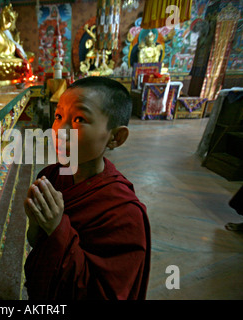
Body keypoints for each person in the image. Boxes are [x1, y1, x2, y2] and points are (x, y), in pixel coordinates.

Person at [23, 76, 151, 300]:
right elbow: (36, 243)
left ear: (116, 137)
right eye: (59, 116)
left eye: (79, 119)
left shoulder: (125, 213)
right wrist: (37, 222)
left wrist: (57, 227)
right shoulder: (51, 176)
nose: (60, 131)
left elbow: (105, 294)